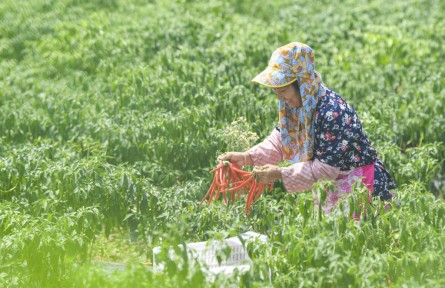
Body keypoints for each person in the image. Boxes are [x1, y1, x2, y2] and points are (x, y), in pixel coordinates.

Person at [218, 42, 397, 213]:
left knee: (364, 239)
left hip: (360, 184)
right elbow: (280, 141)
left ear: (302, 84)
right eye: (276, 90)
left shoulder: (331, 111)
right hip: (332, 187)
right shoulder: (297, 107)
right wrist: (246, 157)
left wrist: (280, 174)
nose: (279, 97)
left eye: (283, 90)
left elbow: (325, 170)